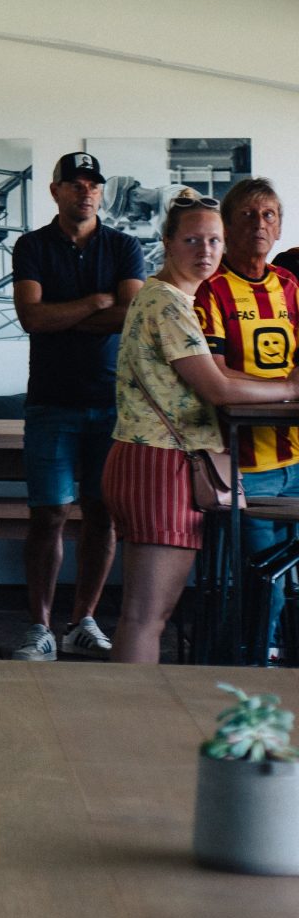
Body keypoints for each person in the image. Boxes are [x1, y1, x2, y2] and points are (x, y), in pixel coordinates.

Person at [105, 192, 299, 664]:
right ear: (167, 242)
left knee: (145, 614)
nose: (206, 251)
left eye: (213, 240)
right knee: (146, 616)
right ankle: (129, 709)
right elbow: (218, 387)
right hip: (160, 462)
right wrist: (291, 388)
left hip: (156, 458)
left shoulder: (171, 298)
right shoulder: (168, 304)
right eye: (192, 240)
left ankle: (131, 706)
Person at [9, 151, 143, 661]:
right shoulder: (32, 245)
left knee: (102, 515)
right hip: (51, 401)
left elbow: (130, 316)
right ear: (56, 191)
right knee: (48, 515)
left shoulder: (124, 246)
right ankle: (39, 627)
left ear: (101, 192)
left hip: (113, 403)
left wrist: (62, 315)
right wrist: (94, 302)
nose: (85, 191)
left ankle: (82, 621)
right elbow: (32, 318)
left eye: (93, 184)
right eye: (75, 183)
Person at [194, 177, 299, 654]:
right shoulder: (211, 290)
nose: (259, 224)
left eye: (268, 215)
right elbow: (217, 375)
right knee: (262, 582)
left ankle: (263, 656)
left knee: (285, 578)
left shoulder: (290, 285)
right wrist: (285, 391)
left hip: (295, 459)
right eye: (248, 215)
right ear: (228, 226)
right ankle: (250, 667)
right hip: (244, 465)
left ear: (279, 228)